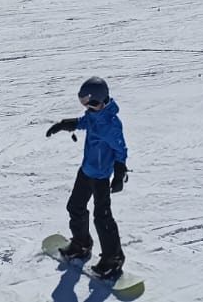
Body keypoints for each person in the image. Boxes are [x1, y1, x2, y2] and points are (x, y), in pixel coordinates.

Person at [45, 76, 129, 281]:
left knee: (102, 218)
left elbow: (121, 150)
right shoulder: (94, 114)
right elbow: (85, 121)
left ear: (102, 100)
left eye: (91, 104)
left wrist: (119, 173)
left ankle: (113, 258)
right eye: (85, 105)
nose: (88, 108)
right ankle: (81, 244)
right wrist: (65, 124)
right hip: (86, 171)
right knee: (75, 207)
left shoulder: (111, 124)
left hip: (101, 177)